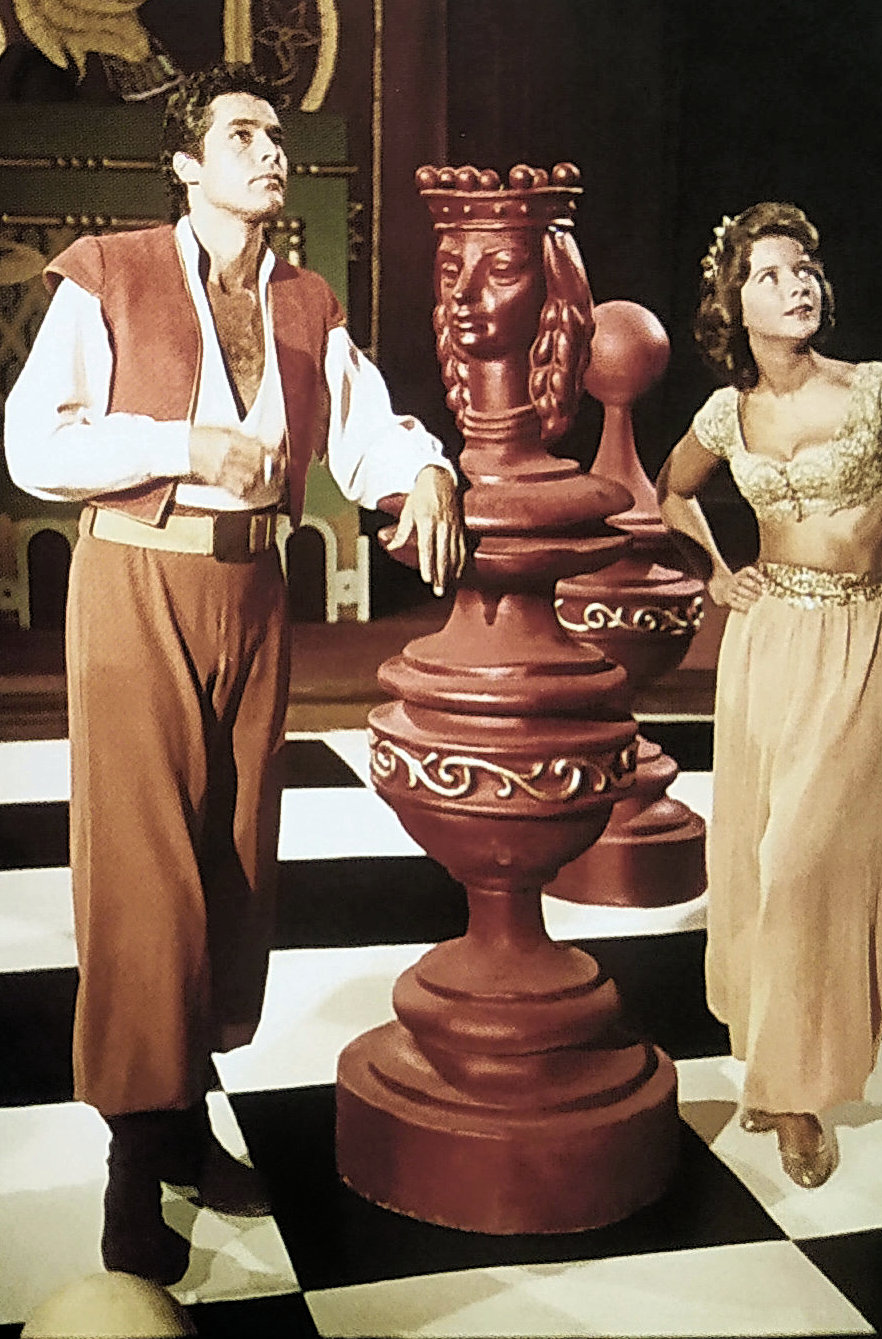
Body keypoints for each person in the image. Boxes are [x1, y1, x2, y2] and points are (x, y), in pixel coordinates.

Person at [4, 65, 465, 1281]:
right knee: (144, 875)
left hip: (255, 593)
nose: (271, 152)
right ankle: (132, 1156)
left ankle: (181, 1120)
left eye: (275, 134)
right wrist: (182, 445)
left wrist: (423, 471)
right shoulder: (109, 272)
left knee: (232, 864)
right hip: (138, 579)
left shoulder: (304, 298)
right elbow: (33, 440)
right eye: (243, 135)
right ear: (186, 164)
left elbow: (363, 429)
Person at [656, 201, 882, 1189]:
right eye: (768, 273)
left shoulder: (880, 389)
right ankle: (773, 1056)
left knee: (806, 861)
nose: (794, 283)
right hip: (765, 644)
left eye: (802, 267)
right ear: (734, 305)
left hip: (856, 642)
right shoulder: (727, 412)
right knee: (760, 860)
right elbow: (670, 488)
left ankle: (798, 1095)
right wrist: (718, 573)